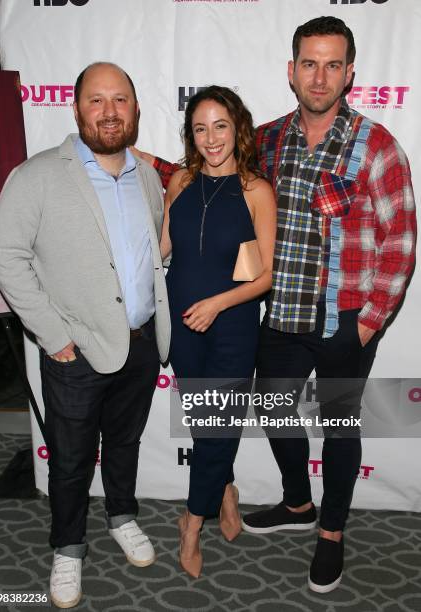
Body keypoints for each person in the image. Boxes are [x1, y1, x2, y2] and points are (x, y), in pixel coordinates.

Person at [134, 16, 416, 593]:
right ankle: (296, 502)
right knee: (273, 408)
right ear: (291, 71)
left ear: (350, 73)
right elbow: (208, 168)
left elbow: (401, 243)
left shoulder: (376, 146)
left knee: (338, 427)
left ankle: (331, 532)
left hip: (345, 319)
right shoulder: (268, 138)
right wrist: (137, 158)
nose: (320, 76)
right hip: (283, 314)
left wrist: (366, 325)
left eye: (332, 64)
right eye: (309, 63)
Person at [0, 62, 170, 609]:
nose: (109, 111)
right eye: (97, 100)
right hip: (75, 350)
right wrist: (53, 335)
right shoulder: (39, 174)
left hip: (139, 342)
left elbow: (148, 256)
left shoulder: (148, 175)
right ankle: (67, 547)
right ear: (76, 109)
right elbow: (5, 255)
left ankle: (122, 515)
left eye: (120, 100)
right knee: (68, 458)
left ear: (135, 110)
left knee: (124, 443)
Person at [161, 85, 276, 578]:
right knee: (206, 426)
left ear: (238, 128)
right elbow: (162, 248)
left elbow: (265, 274)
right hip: (184, 325)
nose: (211, 139)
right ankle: (226, 490)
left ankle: (192, 524)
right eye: (200, 128)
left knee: (218, 427)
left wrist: (218, 304)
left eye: (220, 126)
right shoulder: (181, 181)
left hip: (231, 327)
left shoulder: (256, 190)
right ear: (191, 133)